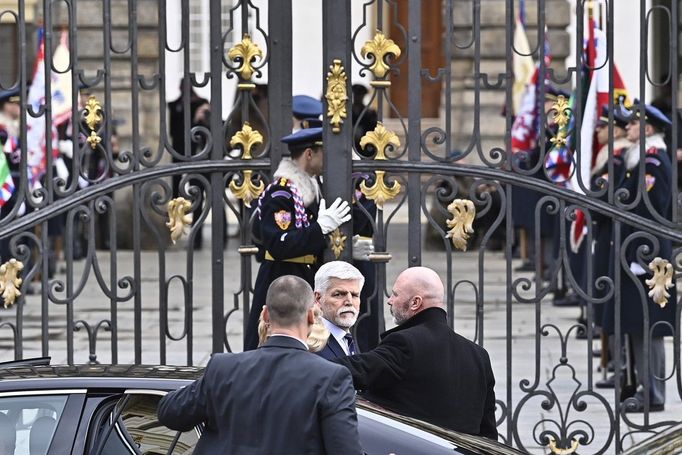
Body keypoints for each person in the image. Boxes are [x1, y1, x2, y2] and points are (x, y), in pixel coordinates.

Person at [158, 275, 362, 454]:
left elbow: (169, 413)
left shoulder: (223, 368)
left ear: (265, 315)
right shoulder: (331, 378)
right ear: (311, 316)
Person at [334, 266, 498, 440]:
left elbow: (358, 369)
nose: (390, 300)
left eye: (395, 294)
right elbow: (488, 435)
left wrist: (305, 361)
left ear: (415, 303)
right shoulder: (479, 356)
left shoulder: (405, 344)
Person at [243, 119, 351, 350]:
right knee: (275, 343)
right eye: (324, 153)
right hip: (282, 279)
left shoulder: (312, 187)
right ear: (310, 154)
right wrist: (319, 228)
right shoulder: (281, 192)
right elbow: (280, 244)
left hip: (304, 276)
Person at [601, 103, 677, 413]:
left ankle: (653, 394)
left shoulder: (653, 162)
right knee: (635, 325)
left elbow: (649, 211)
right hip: (636, 254)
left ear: (647, 129)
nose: (627, 128)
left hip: (648, 257)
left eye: (633, 124)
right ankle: (639, 387)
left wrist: (636, 256)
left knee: (649, 329)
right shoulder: (639, 160)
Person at [313, 261, 365, 360]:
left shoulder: (346, 338)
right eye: (339, 294)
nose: (349, 302)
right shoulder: (312, 344)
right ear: (318, 299)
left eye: (354, 295)